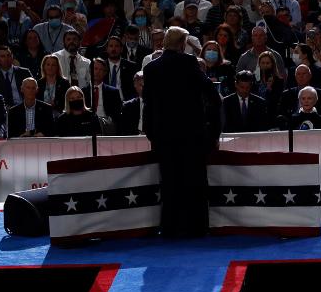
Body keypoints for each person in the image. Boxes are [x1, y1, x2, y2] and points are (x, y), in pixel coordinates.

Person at [141, 26, 222, 238]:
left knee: (168, 182)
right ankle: (196, 227)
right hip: (192, 136)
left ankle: (170, 227)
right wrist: (213, 131)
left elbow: (147, 105)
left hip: (163, 137)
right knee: (194, 182)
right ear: (181, 44)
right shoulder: (189, 63)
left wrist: (150, 133)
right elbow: (213, 96)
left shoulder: (150, 69)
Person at [83, 58, 123, 134]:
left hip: (107, 126)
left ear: (105, 73)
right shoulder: (83, 92)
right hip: (88, 126)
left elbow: (117, 115)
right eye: (95, 69)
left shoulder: (113, 92)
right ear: (90, 71)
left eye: (101, 70)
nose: (97, 72)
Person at [119, 71, 145, 136]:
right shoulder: (128, 106)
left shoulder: (157, 104)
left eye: (146, 85)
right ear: (135, 85)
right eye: (141, 85)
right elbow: (125, 129)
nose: (144, 88)